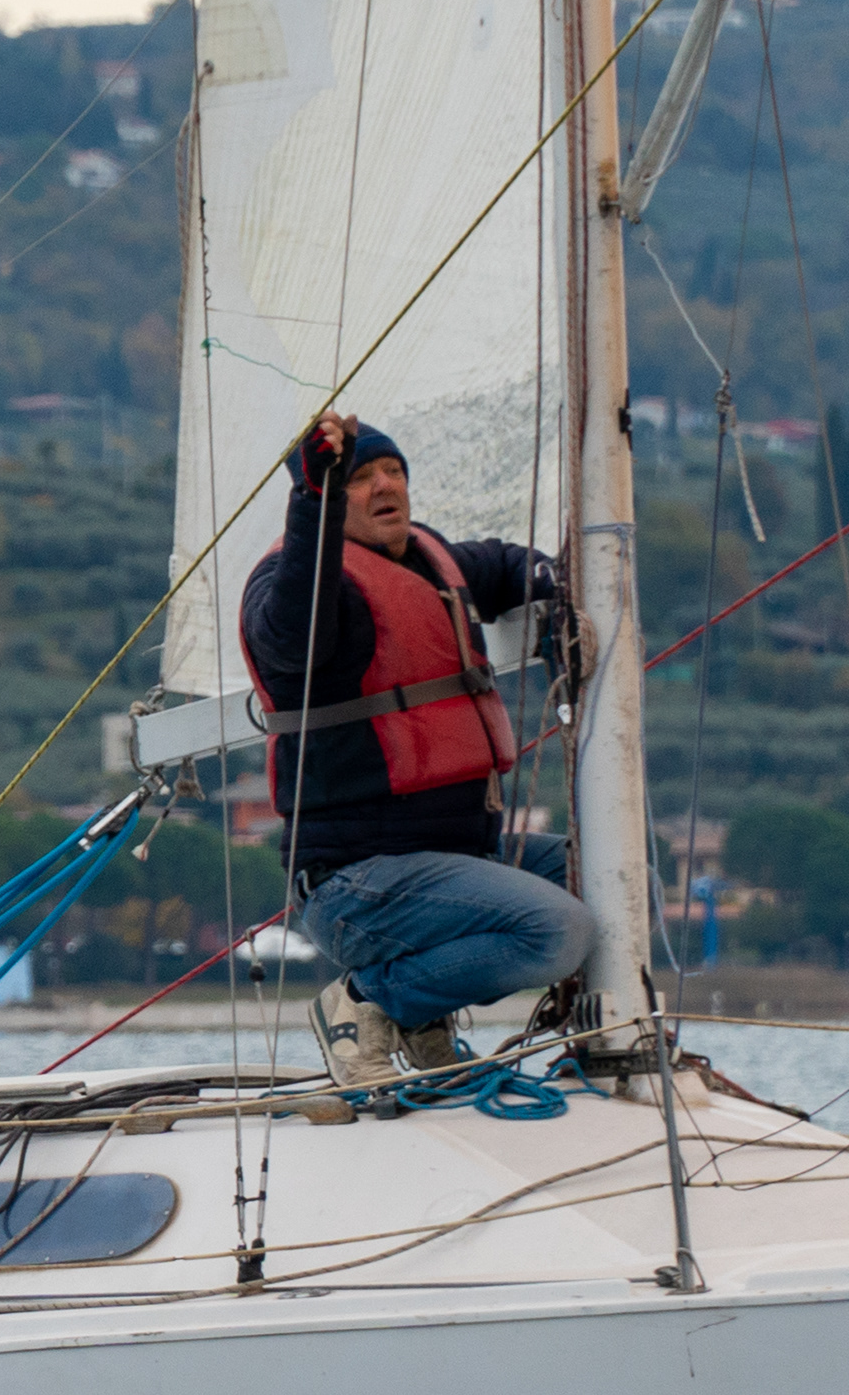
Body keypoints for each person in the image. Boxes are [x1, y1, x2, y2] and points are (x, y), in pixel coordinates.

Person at [240, 408, 588, 1084]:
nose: (384, 486)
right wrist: (312, 495)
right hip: (358, 884)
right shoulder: (298, 585)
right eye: (361, 478)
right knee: (558, 929)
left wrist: (550, 586)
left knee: (631, 882)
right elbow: (292, 636)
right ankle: (368, 1003)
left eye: (393, 471)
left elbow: (505, 563)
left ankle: (423, 1015)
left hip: (453, 861)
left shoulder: (433, 561)